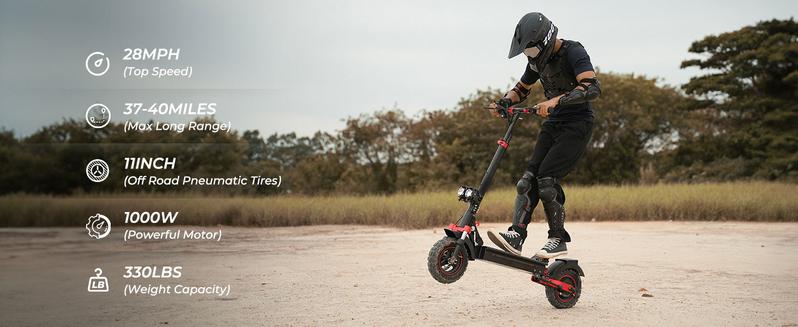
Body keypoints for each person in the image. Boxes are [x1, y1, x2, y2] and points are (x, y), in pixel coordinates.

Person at [486, 12, 601, 259]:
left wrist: (556, 100)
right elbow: (521, 88)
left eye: (530, 51)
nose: (529, 57)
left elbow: (592, 87)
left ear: (545, 40)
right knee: (526, 181)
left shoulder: (574, 52)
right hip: (554, 123)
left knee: (547, 180)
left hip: (577, 124)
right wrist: (504, 102)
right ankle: (516, 236)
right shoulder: (538, 61)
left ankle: (557, 239)